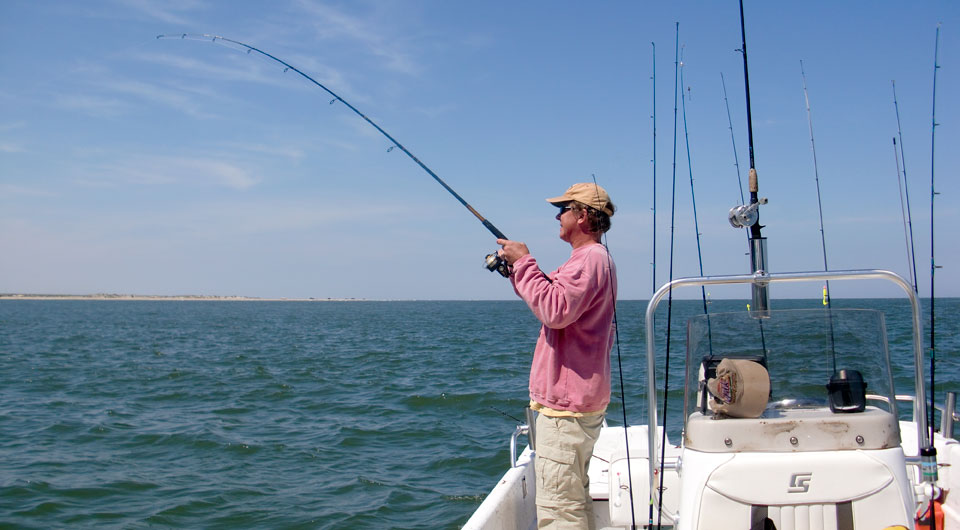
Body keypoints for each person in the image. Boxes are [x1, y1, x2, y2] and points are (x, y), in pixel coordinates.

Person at [496, 182, 617, 530]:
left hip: (567, 408)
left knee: (559, 508)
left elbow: (555, 310)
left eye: (562, 209)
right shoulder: (588, 260)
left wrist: (525, 261)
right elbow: (551, 297)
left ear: (582, 215)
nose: (557, 216)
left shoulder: (590, 259)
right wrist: (519, 272)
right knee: (572, 498)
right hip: (576, 402)